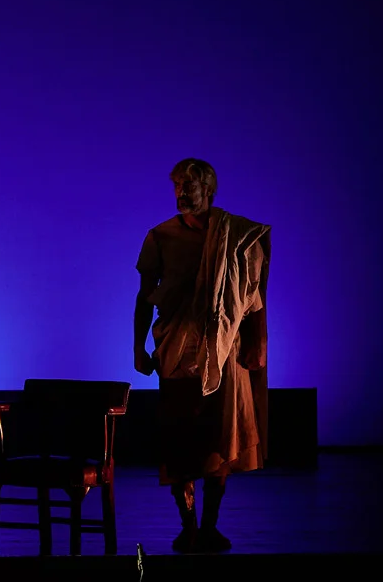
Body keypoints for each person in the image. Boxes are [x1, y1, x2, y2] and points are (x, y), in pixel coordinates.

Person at [133, 158, 271, 554]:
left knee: (219, 440)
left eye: (189, 186)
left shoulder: (237, 237)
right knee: (179, 441)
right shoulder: (160, 236)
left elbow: (252, 300)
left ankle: (209, 526)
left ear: (208, 190)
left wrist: (256, 344)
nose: (181, 193)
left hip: (223, 353)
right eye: (177, 185)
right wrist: (137, 347)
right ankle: (187, 525)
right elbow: (144, 298)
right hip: (177, 352)